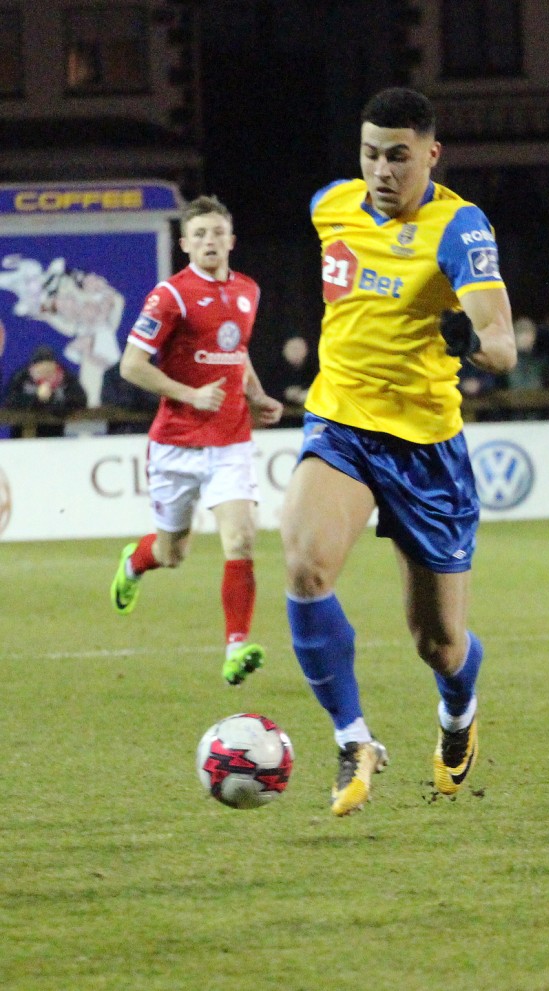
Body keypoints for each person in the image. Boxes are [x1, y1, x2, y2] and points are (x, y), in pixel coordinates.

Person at [280, 87, 515, 818]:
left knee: (439, 644)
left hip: (425, 449)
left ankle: (457, 712)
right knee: (305, 563)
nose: (382, 169)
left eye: (399, 156)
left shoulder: (459, 226)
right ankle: (355, 737)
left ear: (431, 155)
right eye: (370, 153)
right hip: (341, 424)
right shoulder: (331, 205)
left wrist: (468, 340)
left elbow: (502, 341)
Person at [108, 195, 283, 685]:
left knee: (242, 537)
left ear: (231, 240)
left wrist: (256, 395)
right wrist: (190, 393)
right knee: (172, 554)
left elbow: (237, 352)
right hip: (176, 444)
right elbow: (132, 366)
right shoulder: (171, 296)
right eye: (200, 234)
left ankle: (235, 646)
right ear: (185, 243)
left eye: (217, 233)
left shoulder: (249, 290)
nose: (210, 241)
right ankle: (136, 561)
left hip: (230, 440)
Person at [1, 343, 87, 437]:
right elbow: (9, 401)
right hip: (21, 436)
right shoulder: (22, 377)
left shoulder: (66, 378)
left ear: (55, 365)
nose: (44, 372)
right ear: (33, 366)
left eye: (48, 369)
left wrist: (52, 398)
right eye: (40, 368)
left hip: (54, 436)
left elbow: (80, 400)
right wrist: (36, 398)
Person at [265, 335, 317, 407]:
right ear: (284, 350)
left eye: (300, 349)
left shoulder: (313, 367)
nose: (296, 353)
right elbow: (267, 391)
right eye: (293, 349)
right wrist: (285, 394)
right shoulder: (275, 370)